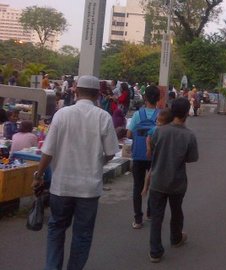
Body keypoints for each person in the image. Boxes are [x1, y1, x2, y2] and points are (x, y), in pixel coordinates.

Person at [32, 75, 119, 270]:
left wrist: (38, 176)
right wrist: (97, 161)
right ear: (97, 94)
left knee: (56, 229)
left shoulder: (62, 114)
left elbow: (48, 151)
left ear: (76, 91)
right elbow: (111, 152)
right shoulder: (103, 117)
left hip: (61, 186)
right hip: (88, 189)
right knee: (82, 235)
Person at [147, 98, 198, 263]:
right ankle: (176, 238)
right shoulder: (189, 135)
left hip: (157, 181)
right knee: (176, 211)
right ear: (186, 114)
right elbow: (192, 158)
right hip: (177, 182)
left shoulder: (159, 131)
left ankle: (155, 251)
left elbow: (153, 147)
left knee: (156, 216)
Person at [127, 85, 160, 228]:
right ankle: (150, 212)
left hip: (139, 155)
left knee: (137, 187)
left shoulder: (137, 115)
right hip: (155, 156)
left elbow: (129, 134)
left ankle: (138, 219)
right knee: (153, 185)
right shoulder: (162, 116)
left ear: (145, 98)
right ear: (158, 99)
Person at [141, 108, 174, 197]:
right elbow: (148, 137)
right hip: (156, 155)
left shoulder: (167, 131)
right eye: (157, 121)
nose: (157, 123)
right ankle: (145, 188)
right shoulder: (155, 129)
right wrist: (148, 149)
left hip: (162, 156)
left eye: (160, 122)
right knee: (151, 171)